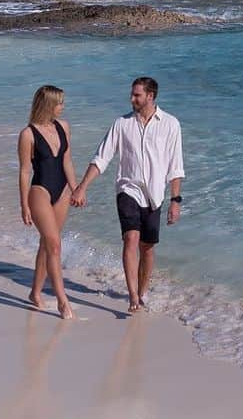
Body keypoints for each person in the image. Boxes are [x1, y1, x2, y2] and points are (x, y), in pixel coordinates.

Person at [71, 77, 184, 314]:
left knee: (148, 247)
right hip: (127, 190)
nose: (132, 99)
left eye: (137, 95)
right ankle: (133, 296)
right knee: (131, 239)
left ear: (150, 96)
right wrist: (82, 186)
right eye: (132, 95)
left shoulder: (171, 124)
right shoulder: (122, 124)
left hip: (155, 194)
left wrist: (175, 200)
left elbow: (176, 167)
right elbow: (102, 157)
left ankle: (142, 292)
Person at [18, 84, 78, 319]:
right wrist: (24, 204)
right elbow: (24, 171)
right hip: (40, 191)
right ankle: (63, 301)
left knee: (47, 244)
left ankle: (35, 292)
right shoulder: (28, 134)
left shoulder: (64, 127)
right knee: (54, 244)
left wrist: (76, 189)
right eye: (60, 103)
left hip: (62, 191)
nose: (63, 107)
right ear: (49, 105)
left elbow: (67, 161)